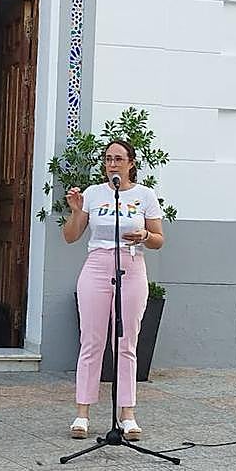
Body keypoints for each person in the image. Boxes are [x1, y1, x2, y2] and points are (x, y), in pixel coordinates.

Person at [63, 140, 165, 441]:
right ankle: (82, 413)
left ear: (131, 163)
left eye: (118, 158)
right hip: (97, 265)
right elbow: (70, 236)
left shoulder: (144, 195)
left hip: (132, 265)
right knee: (91, 341)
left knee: (126, 342)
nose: (112, 164)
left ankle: (127, 414)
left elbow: (159, 239)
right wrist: (76, 211)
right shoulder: (94, 193)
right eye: (108, 159)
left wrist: (145, 234)